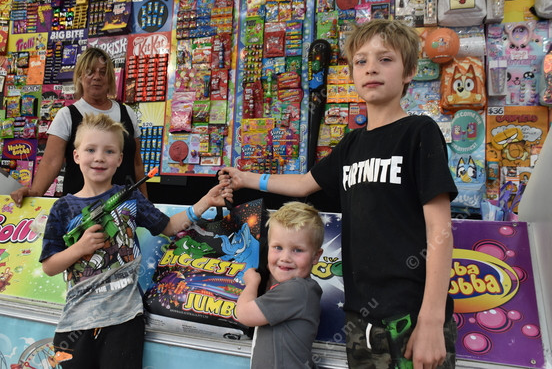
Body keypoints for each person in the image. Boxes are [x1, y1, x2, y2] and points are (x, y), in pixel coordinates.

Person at [220, 19, 458, 368]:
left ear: (409, 72)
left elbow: (440, 230)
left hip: (411, 314)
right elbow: (304, 184)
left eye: (385, 59)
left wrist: (432, 320)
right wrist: (246, 178)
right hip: (360, 317)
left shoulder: (419, 132)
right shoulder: (352, 144)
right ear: (351, 73)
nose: (371, 68)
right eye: (361, 61)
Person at [42, 113, 231, 369]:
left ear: (120, 159)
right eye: (90, 149)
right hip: (76, 324)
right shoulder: (63, 208)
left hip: (125, 320)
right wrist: (80, 248)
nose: (99, 157)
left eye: (109, 151)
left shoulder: (129, 198)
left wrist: (205, 202)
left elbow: (168, 227)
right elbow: (50, 266)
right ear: (76, 156)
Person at [11, 46, 146, 206]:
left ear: (110, 78)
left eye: (103, 72)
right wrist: (35, 192)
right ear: (80, 76)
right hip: (81, 210)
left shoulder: (128, 113)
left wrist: (146, 204)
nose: (97, 77)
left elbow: (137, 164)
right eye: (90, 72)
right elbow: (50, 162)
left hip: (125, 208)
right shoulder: (66, 115)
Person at [236, 201, 324, 369]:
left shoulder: (296, 290)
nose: (285, 257)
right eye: (277, 247)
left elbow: (244, 314)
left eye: (297, 250)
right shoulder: (294, 288)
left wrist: (252, 283)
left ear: (315, 256)